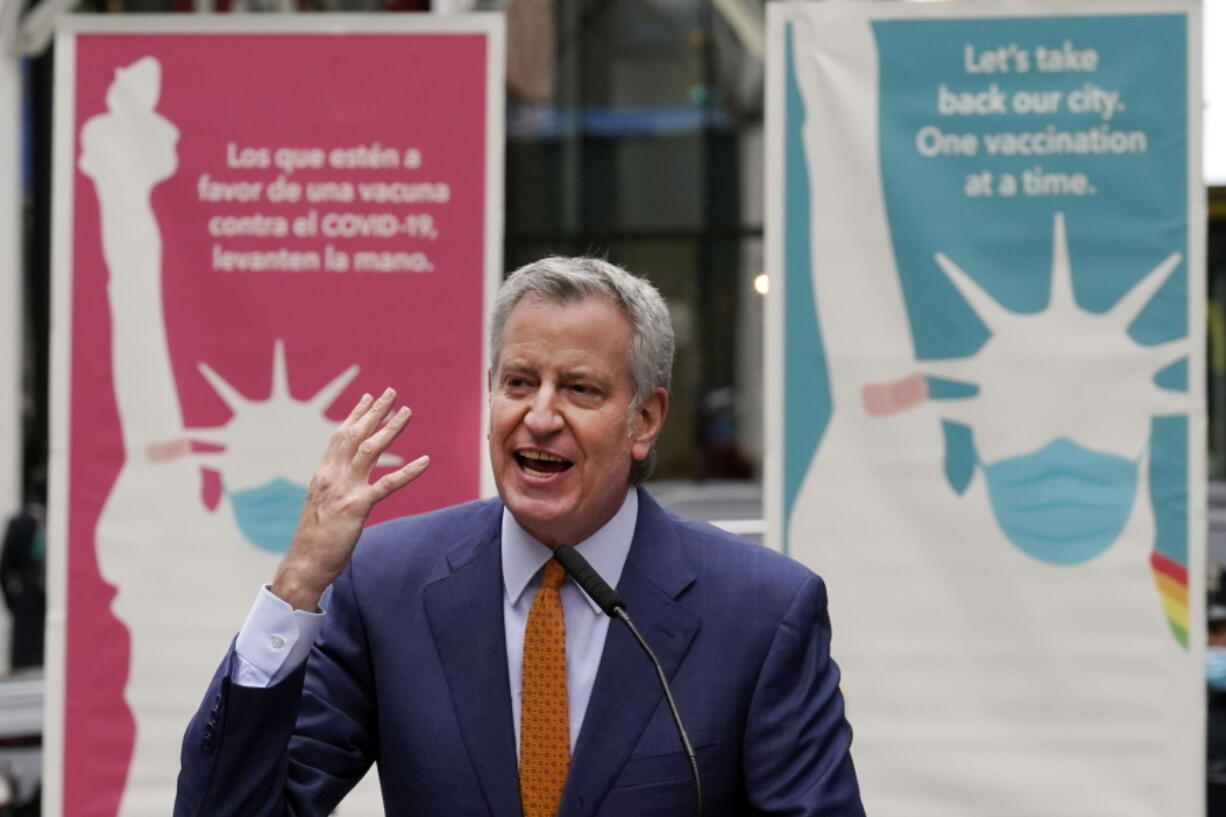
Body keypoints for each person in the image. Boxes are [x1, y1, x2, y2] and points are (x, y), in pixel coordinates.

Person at [173, 256, 863, 817]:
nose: (539, 416)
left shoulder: (762, 611)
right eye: (519, 382)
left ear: (645, 419)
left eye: (580, 389)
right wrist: (296, 585)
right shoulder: (386, 585)